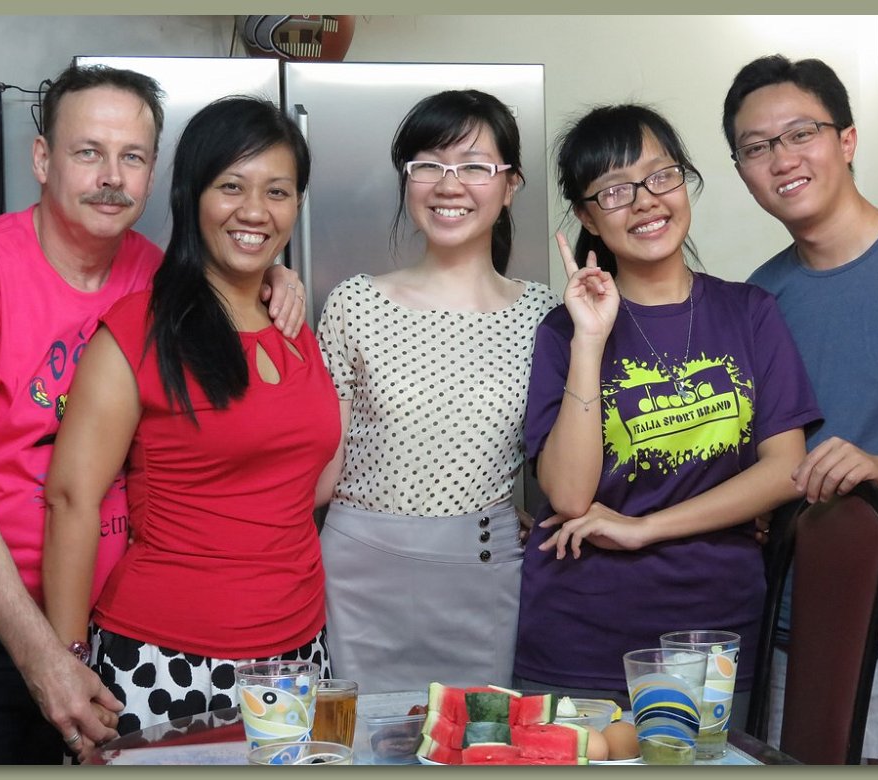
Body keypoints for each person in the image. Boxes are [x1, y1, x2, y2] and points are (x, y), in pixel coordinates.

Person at [0, 65, 305, 765]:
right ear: (42, 158)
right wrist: (45, 657)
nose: (111, 177)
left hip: (120, 637)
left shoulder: (162, 280)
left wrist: (276, 277)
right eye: (88, 152)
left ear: (153, 172)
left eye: (131, 157)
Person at [40, 95, 339, 742]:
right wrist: (66, 665)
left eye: (277, 191)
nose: (255, 210)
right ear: (190, 195)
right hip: (166, 656)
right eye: (231, 186)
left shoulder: (294, 329)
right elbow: (70, 500)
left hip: (298, 650)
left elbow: (308, 483)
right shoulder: (138, 332)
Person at [512, 104, 823, 725]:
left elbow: (785, 469)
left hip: (714, 633)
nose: (646, 201)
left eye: (661, 176)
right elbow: (569, 497)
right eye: (615, 190)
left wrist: (646, 527)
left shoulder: (750, 312)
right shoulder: (562, 332)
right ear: (586, 215)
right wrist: (590, 340)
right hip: (579, 632)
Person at [723, 54, 878, 763]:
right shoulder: (759, 298)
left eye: (800, 134)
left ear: (846, 140)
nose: (781, 159)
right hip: (785, 636)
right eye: (756, 147)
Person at [315, 89, 558, 693]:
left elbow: (563, 461)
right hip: (357, 575)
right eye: (429, 165)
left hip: (482, 574)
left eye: (475, 166)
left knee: (479, 736)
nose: (450, 185)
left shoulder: (544, 315)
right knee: (354, 739)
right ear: (407, 179)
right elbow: (318, 468)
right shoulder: (354, 303)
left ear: (510, 185)